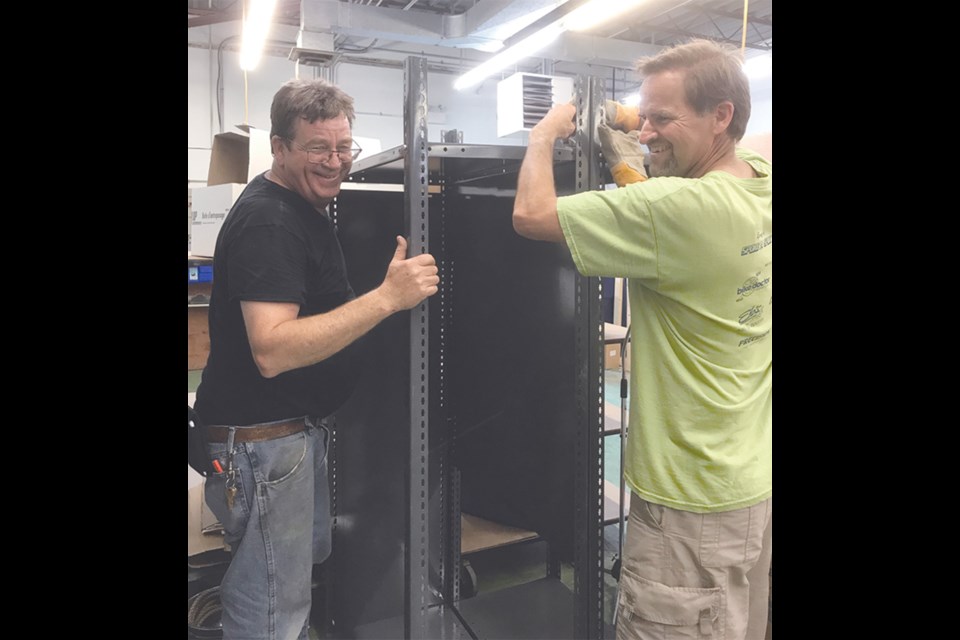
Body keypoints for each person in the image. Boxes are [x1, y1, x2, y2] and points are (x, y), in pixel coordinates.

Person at [513, 39, 772, 640]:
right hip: (746, 487)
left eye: (663, 117)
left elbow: (530, 214)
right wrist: (641, 141)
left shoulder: (676, 207)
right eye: (643, 115)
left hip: (687, 502)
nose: (648, 130)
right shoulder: (756, 182)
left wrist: (543, 136)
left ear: (722, 115)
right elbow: (672, 206)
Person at [193, 78, 440, 640]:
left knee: (284, 587)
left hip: (283, 440)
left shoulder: (297, 206)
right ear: (279, 147)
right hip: (264, 448)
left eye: (342, 147)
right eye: (316, 149)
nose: (335, 163)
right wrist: (386, 299)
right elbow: (273, 349)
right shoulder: (269, 221)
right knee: (271, 607)